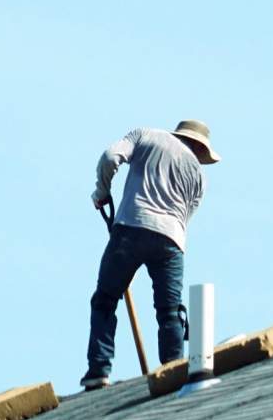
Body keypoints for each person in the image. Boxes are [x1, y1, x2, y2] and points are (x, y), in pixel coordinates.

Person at [82, 120, 220, 391]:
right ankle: (174, 371)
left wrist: (102, 191)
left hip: (131, 227)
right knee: (169, 311)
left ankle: (99, 369)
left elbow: (111, 157)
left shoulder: (145, 135)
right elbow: (186, 217)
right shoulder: (200, 177)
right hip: (171, 241)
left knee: (106, 299)